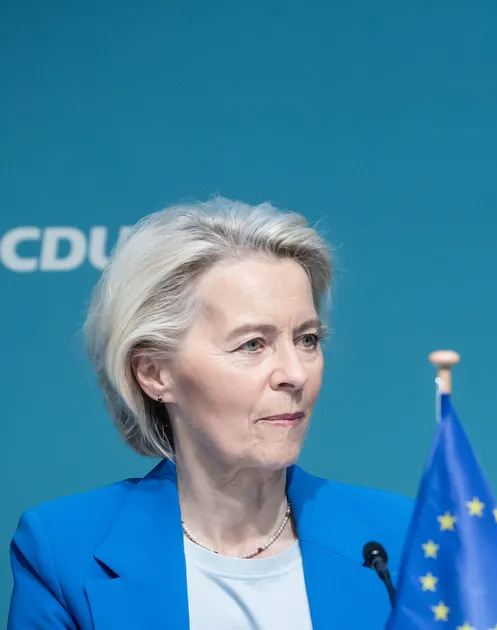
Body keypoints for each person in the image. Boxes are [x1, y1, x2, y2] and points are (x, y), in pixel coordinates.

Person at [7, 197, 413, 629]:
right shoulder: (64, 551)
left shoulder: (405, 537)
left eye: (307, 339)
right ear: (154, 373)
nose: (295, 374)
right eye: (252, 344)